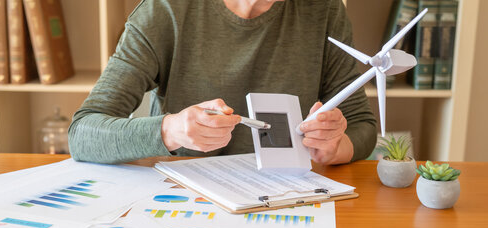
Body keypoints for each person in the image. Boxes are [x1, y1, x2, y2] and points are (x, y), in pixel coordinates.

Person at [69, 0, 377, 165]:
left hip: (286, 198)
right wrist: (171, 130)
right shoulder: (164, 11)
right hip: (183, 200)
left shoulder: (325, 10)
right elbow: (82, 133)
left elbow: (362, 125)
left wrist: (337, 146)